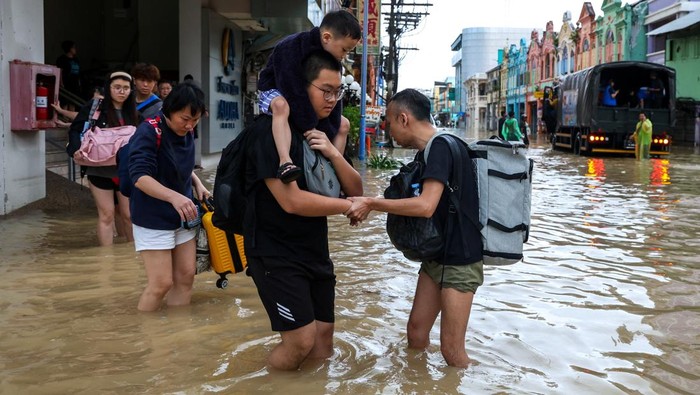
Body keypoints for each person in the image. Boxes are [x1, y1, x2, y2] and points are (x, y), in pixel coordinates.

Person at [345, 88, 483, 368]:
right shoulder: (429, 151)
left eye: (389, 122)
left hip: (460, 261)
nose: (388, 129)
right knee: (416, 334)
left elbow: (425, 206)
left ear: (404, 118)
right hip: (437, 257)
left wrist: (372, 202)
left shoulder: (442, 147)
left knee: (452, 352)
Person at [244, 50, 364, 370]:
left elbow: (356, 189)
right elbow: (291, 201)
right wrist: (348, 207)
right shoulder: (268, 130)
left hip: (314, 250)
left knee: (323, 338)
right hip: (275, 252)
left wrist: (334, 154)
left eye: (337, 91)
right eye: (325, 90)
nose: (332, 99)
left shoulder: (320, 133)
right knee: (300, 340)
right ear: (300, 85)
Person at [128, 81, 209, 311]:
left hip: (183, 214)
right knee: (161, 284)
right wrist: (174, 197)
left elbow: (179, 166)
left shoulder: (187, 131)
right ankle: (146, 334)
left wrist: (197, 183)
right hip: (152, 217)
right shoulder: (149, 130)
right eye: (185, 119)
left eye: (195, 120)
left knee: (186, 277)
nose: (190, 125)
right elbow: (139, 176)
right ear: (169, 110)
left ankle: (177, 334)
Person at [257, 10, 362, 184]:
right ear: (327, 37)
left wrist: (327, 134)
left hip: (300, 96)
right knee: (282, 106)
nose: (345, 55)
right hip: (274, 89)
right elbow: (292, 89)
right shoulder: (291, 46)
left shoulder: (333, 59)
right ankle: (285, 161)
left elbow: (336, 102)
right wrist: (309, 126)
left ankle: (333, 170)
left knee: (343, 124)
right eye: (344, 49)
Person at [66, 72, 139, 246]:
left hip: (125, 171)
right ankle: (106, 258)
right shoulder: (95, 107)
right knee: (106, 215)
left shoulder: (135, 111)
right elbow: (75, 129)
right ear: (109, 88)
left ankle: (130, 257)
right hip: (98, 170)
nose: (122, 91)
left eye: (126, 88)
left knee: (128, 215)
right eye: (117, 87)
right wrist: (76, 149)